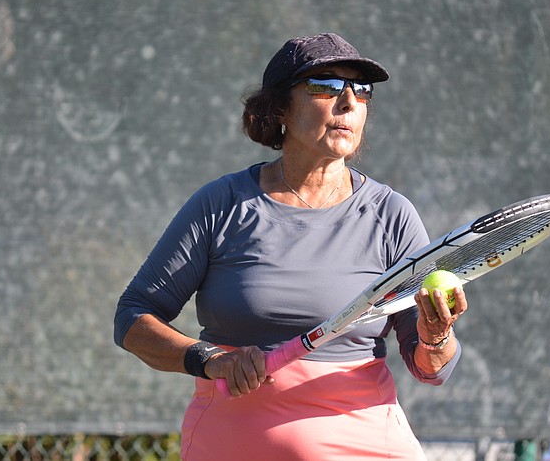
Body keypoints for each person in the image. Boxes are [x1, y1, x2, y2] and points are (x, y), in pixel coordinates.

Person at [114, 33, 467, 460]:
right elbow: (133, 317)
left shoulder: (392, 215)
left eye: (361, 90)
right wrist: (209, 359)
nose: (349, 102)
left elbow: (431, 370)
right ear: (280, 108)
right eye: (326, 86)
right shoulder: (221, 205)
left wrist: (435, 337)